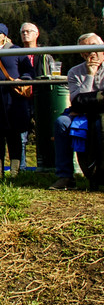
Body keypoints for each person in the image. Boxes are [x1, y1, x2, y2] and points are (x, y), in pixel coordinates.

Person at [49, 33, 104, 190]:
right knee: (62, 123)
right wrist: (90, 75)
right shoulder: (75, 72)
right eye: (86, 50)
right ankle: (65, 176)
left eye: (94, 47)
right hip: (80, 114)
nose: (91, 53)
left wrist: (85, 102)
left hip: (96, 113)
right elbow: (77, 101)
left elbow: (85, 100)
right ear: (82, 54)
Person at [0, 23, 33, 179]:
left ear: (5, 36)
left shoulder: (17, 51)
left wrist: (23, 79)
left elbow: (28, 71)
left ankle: (15, 171)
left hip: (13, 98)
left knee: (14, 135)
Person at [18, 22, 50, 170]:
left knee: (44, 133)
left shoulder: (44, 55)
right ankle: (22, 167)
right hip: (21, 99)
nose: (25, 34)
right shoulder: (15, 54)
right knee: (21, 136)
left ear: (37, 34)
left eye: (29, 31)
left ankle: (44, 165)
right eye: (23, 32)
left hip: (40, 98)